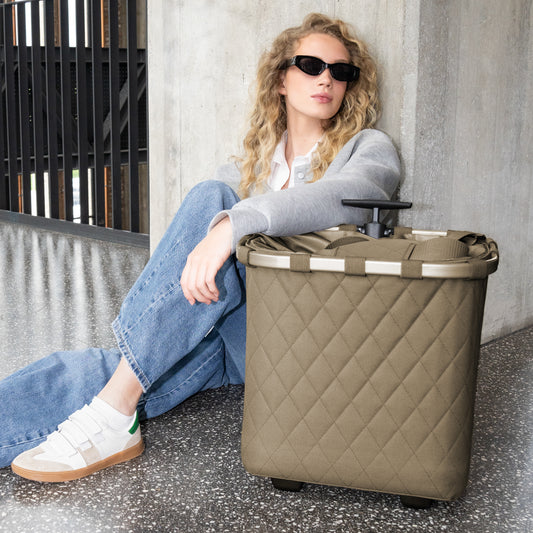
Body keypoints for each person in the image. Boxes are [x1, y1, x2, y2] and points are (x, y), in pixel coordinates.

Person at [1, 13, 400, 482]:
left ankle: (115, 411)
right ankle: (114, 407)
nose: (326, 79)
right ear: (281, 80)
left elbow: (346, 197)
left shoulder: (367, 149)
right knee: (97, 370)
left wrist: (233, 225)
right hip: (234, 345)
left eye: (340, 71)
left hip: (303, 340)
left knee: (214, 198)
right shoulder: (250, 169)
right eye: (311, 65)